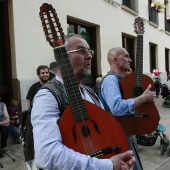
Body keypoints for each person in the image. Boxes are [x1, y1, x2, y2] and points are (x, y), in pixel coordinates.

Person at [31, 34, 135, 170]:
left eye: (89, 51)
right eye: (81, 51)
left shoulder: (90, 93)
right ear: (62, 57)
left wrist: (122, 158)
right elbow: (46, 155)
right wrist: (107, 165)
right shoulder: (47, 96)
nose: (89, 56)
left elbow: (106, 131)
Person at [100, 47, 156, 170]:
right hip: (118, 138)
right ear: (116, 60)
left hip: (128, 135)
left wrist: (147, 99)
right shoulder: (110, 80)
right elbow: (116, 108)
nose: (130, 60)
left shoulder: (123, 79)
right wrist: (142, 98)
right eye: (126, 56)